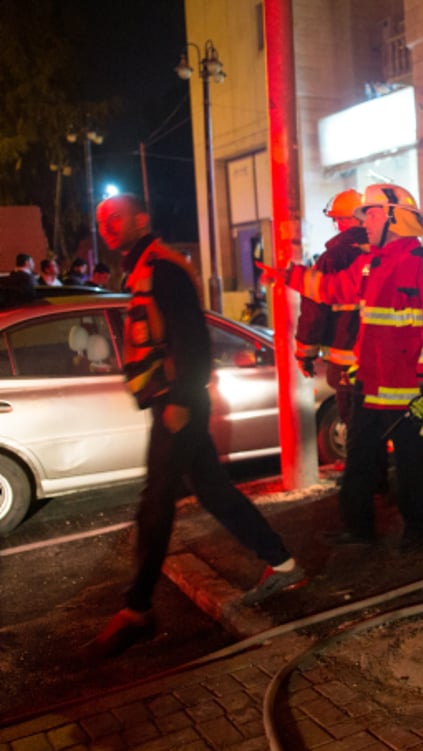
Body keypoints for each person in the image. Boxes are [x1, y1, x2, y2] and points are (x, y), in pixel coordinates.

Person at [87, 194, 307, 658]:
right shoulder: (144, 267)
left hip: (177, 403)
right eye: (102, 221)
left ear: (142, 219)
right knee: (213, 491)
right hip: (172, 401)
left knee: (157, 501)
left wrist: (180, 399)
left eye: (116, 218)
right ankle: (281, 561)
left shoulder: (161, 267)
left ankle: (137, 609)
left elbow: (191, 338)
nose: (107, 226)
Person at [262, 183, 423, 549]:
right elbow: (331, 288)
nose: (362, 222)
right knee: (360, 462)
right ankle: (358, 529)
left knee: (413, 463)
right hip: (370, 386)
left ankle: (418, 530)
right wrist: (288, 275)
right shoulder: (372, 265)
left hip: (408, 391)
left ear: (392, 217)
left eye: (369, 214)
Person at [294, 189, 369, 451]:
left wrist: (305, 353)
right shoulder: (386, 252)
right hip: (387, 360)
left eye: (336, 220)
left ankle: (366, 484)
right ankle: (383, 479)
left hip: (348, 361)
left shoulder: (332, 259)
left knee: (356, 425)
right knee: (383, 424)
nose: (335, 226)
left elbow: (314, 312)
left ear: (345, 221)